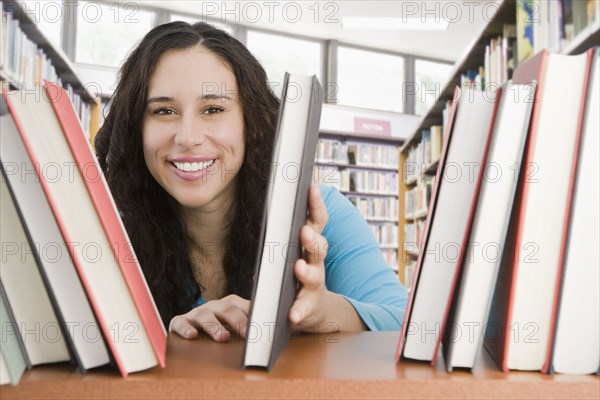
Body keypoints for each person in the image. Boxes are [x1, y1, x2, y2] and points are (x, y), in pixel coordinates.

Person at [95, 21, 408, 342]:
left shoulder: (320, 212)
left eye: (213, 108)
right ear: (136, 128)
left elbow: (406, 323)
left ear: (250, 122)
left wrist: (323, 312)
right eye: (163, 111)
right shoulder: (104, 229)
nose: (187, 137)